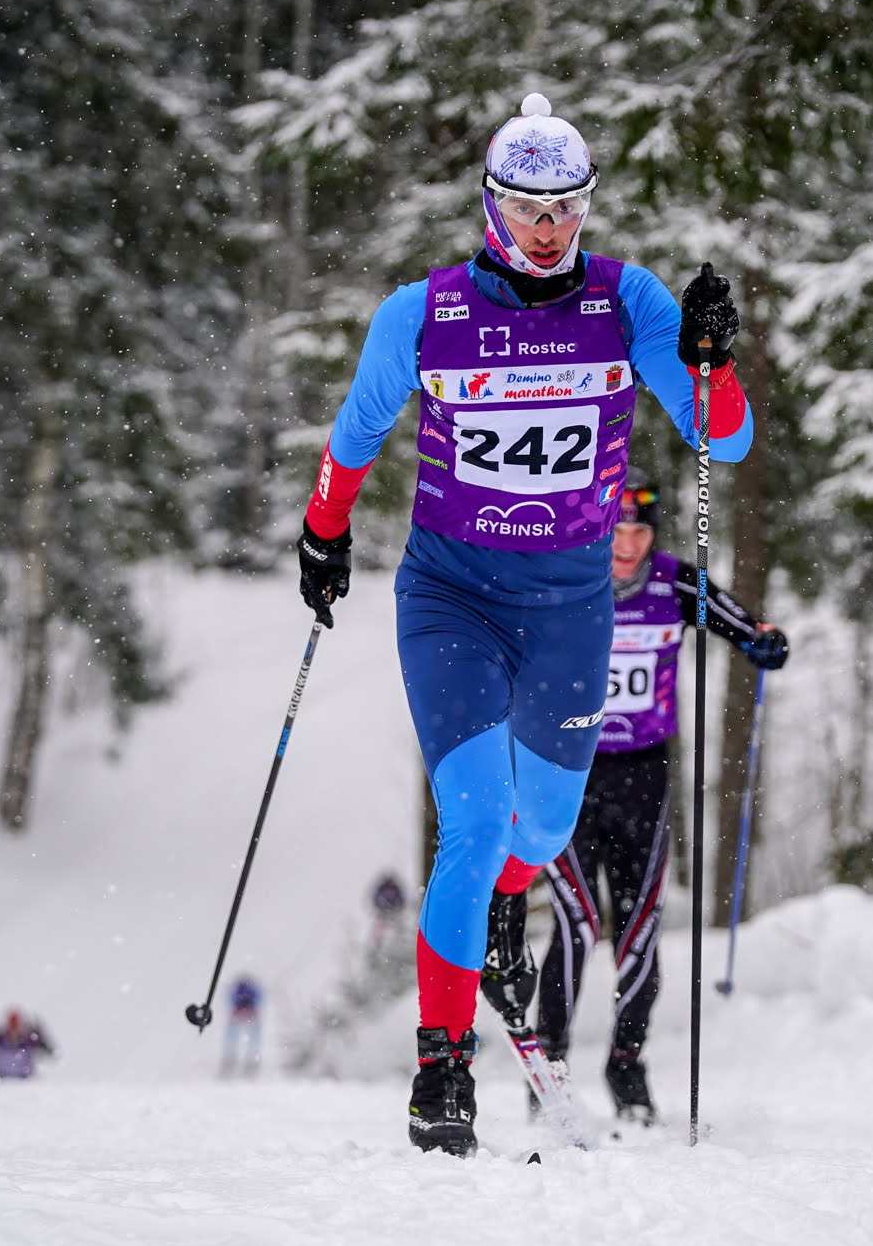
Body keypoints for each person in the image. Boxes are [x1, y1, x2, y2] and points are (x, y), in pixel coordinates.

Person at [294, 93, 755, 1154]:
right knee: (471, 822)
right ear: (489, 204)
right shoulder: (425, 312)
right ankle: (440, 1065)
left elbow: (717, 444)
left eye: (566, 207)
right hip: (451, 600)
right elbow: (358, 427)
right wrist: (323, 532)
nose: (547, 229)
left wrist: (710, 360)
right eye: (524, 206)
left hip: (567, 609)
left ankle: (506, 910)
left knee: (537, 832)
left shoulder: (625, 301)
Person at [479, 469, 788, 1124]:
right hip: (566, 771)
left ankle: (627, 1065)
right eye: (616, 529)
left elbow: (741, 623)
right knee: (575, 921)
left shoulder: (673, 581)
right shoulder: (565, 574)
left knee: (640, 928)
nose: (627, 543)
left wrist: (762, 643)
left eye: (640, 529)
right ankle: (549, 1064)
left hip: (643, 777)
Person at [0, 1009, 54, 1081]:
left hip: (25, 1083)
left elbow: (50, 1052)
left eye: (16, 1027)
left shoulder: (28, 1040)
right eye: (12, 1027)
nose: (14, 1032)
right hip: (2, 1081)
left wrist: (41, 1034)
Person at [223, 976, 262, 1076]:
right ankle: (232, 1059)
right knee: (234, 1036)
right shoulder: (247, 992)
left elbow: (258, 1000)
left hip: (248, 1013)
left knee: (250, 1036)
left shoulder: (243, 992)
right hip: (243, 1013)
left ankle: (248, 1060)